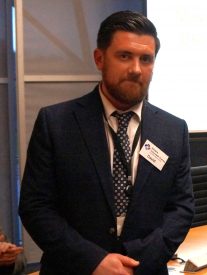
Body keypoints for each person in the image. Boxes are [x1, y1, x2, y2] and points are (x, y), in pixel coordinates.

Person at [18, 10, 194, 275]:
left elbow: (181, 208)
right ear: (99, 59)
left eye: (145, 59)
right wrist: (94, 261)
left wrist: (136, 258)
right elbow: (36, 207)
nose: (136, 69)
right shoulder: (56, 123)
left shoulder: (173, 129)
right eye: (124, 56)